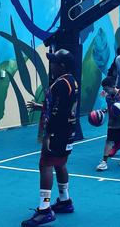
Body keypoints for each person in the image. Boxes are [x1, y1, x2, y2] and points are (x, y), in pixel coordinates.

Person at [22, 49, 79, 227]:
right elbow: (61, 106)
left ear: (61, 66)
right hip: (68, 131)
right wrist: (41, 106)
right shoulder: (72, 82)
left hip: (57, 132)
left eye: (54, 62)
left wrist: (48, 136)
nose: (51, 65)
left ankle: (45, 209)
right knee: (61, 164)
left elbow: (58, 113)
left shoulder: (61, 83)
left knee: (45, 164)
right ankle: (65, 200)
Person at [96, 77, 120, 171]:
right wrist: (104, 111)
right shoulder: (108, 96)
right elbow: (111, 107)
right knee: (109, 140)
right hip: (113, 121)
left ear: (113, 86)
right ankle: (104, 162)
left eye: (106, 89)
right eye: (104, 89)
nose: (105, 91)